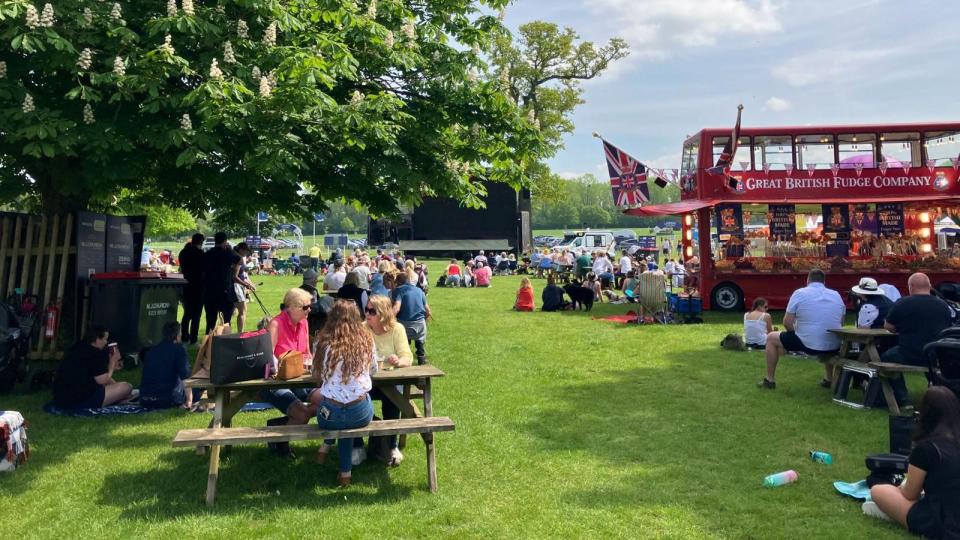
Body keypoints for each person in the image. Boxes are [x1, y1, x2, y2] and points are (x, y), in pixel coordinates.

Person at [866, 386, 960, 538]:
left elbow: (910, 494)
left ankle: (893, 512)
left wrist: (899, 488)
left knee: (878, 490)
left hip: (943, 520)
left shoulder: (927, 448)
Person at [314, 300, 376, 487]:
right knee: (353, 409)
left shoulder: (322, 342)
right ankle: (344, 473)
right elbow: (374, 369)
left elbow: (316, 374)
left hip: (329, 414)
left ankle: (326, 448)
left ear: (331, 318)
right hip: (360, 413)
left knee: (335, 410)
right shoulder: (366, 340)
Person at [261, 288, 320, 459]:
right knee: (302, 414)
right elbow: (268, 357)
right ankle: (281, 440)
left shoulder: (304, 322)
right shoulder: (276, 324)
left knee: (328, 401)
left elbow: (307, 353)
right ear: (291, 307)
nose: (310, 310)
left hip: (301, 379)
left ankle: (279, 425)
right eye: (306, 307)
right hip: (277, 381)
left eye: (310, 306)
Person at [761, 269, 845, 389]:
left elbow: (787, 322)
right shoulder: (836, 295)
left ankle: (769, 380)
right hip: (833, 344)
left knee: (770, 338)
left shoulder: (799, 293)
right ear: (824, 281)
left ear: (807, 280)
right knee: (825, 332)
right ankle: (829, 379)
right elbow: (840, 322)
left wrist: (796, 334)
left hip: (808, 344)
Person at [883, 272, 953, 407]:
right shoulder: (943, 306)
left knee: (886, 357)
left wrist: (900, 328)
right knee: (930, 366)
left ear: (911, 287)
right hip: (935, 354)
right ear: (930, 286)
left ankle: (903, 399)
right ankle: (937, 394)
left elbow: (888, 326)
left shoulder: (903, 303)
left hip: (908, 353)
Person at [363, 295, 412, 466]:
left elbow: (407, 357)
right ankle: (359, 443)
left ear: (383, 314)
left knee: (393, 398)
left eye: (372, 311)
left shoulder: (397, 329)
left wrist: (399, 362)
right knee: (354, 399)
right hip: (367, 380)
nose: (367, 314)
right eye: (366, 309)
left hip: (390, 380)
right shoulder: (362, 328)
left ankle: (392, 445)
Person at [53, 324, 133, 409]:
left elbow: (97, 373)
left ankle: (116, 395)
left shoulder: (77, 347)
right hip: (81, 400)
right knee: (127, 387)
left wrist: (112, 376)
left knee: (115, 386)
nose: (106, 342)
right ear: (97, 339)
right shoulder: (95, 353)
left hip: (61, 398)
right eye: (105, 339)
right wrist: (112, 365)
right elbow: (102, 380)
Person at [139, 321, 191, 409]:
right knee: (197, 389)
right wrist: (189, 400)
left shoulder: (150, 351)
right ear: (177, 335)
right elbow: (185, 378)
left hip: (145, 398)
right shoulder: (179, 350)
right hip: (167, 399)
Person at [203, 232, 241, 331]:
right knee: (226, 320)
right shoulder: (228, 253)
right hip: (225, 290)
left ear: (215, 241)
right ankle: (225, 340)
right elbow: (240, 261)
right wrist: (231, 250)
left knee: (210, 320)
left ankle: (208, 341)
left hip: (210, 290)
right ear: (225, 241)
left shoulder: (208, 253)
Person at [391, 272, 431, 364]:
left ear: (398, 282)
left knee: (404, 341)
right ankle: (421, 358)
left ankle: (404, 358)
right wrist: (425, 319)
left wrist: (388, 318)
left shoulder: (398, 290)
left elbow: (396, 307)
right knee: (420, 341)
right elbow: (428, 310)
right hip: (420, 324)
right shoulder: (419, 290)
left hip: (405, 324)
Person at [178, 233, 205, 344]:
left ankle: (184, 336)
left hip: (186, 284)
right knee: (196, 314)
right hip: (198, 286)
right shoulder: (199, 253)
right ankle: (193, 337)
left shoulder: (183, 252)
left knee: (187, 313)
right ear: (201, 242)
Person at [231, 242, 257, 333]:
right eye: (246, 252)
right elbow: (235, 277)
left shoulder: (233, 255)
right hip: (235, 286)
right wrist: (246, 285)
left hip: (234, 285)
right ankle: (240, 333)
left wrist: (249, 283)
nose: (247, 254)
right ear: (242, 250)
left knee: (231, 312)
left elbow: (242, 275)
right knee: (243, 310)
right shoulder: (238, 258)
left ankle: (225, 331)